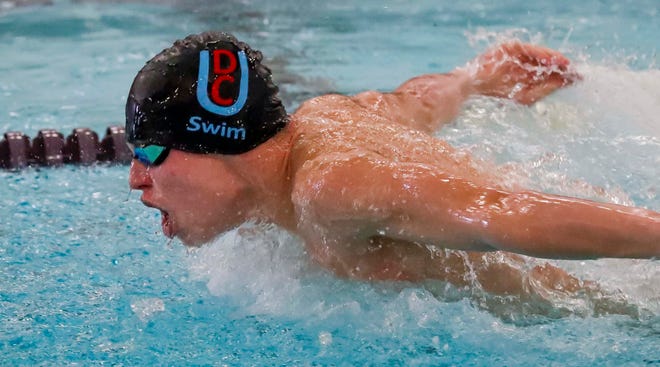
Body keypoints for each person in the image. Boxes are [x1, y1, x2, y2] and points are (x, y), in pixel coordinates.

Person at [126, 31, 659, 303]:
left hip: (627, 298)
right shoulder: (325, 118)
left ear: (214, 145)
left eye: (149, 153)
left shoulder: (329, 187)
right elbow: (415, 101)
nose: (135, 179)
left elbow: (502, 215)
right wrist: (474, 79)